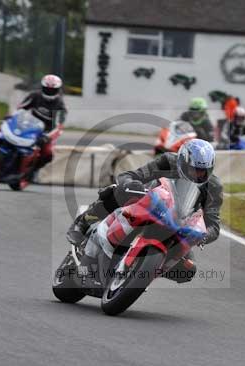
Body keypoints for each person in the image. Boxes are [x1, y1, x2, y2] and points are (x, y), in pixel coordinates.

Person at [67, 139, 223, 284]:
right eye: (193, 169)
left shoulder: (213, 186)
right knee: (117, 191)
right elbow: (131, 176)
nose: (198, 175)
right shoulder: (168, 161)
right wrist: (132, 184)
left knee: (187, 270)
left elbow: (213, 225)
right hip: (148, 203)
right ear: (182, 161)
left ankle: (141, 272)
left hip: (178, 223)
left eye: (203, 171)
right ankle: (83, 221)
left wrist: (203, 235)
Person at [17, 74, 68, 172]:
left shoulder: (61, 106)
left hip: (46, 132)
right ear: (42, 87)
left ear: (58, 90)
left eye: (52, 90)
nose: (49, 92)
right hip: (29, 126)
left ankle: (33, 170)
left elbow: (59, 127)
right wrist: (12, 117)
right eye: (47, 89)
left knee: (48, 153)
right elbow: (20, 108)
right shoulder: (34, 95)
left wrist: (47, 137)